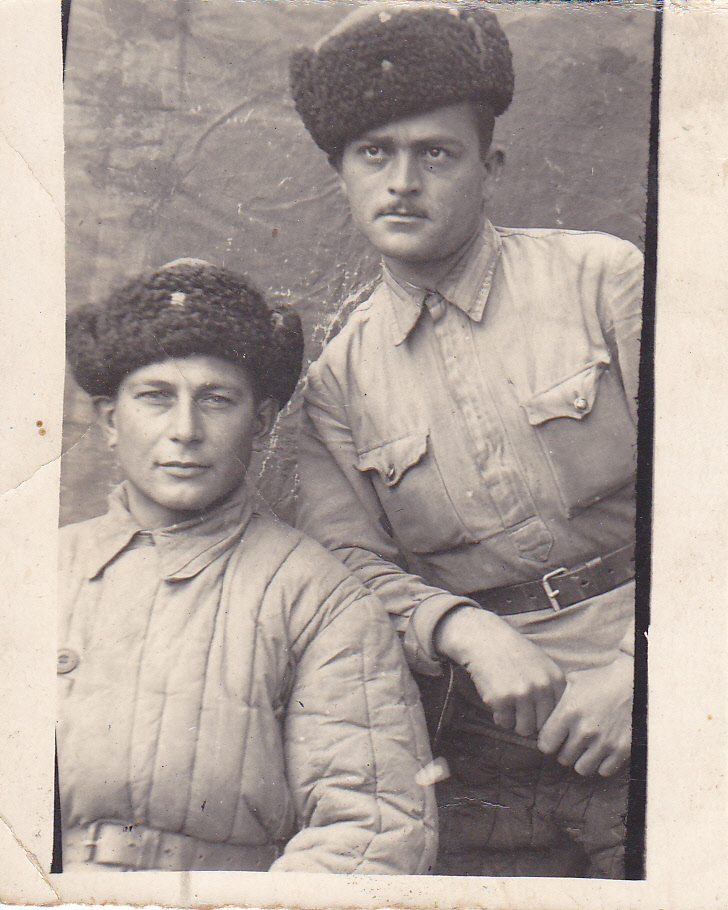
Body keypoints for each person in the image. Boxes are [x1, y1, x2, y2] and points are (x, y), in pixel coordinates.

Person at [291, 3, 642, 878]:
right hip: (492, 750)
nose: (402, 182)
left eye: (436, 154)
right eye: (374, 154)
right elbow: (352, 571)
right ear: (341, 174)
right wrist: (466, 630)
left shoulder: (604, 280)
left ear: (491, 167)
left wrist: (645, 673)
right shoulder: (335, 384)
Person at [57, 259, 437, 874]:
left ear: (260, 422)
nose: (185, 430)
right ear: (109, 420)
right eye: (155, 397)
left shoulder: (319, 599)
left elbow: (373, 831)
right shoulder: (35, 575)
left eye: (216, 400)